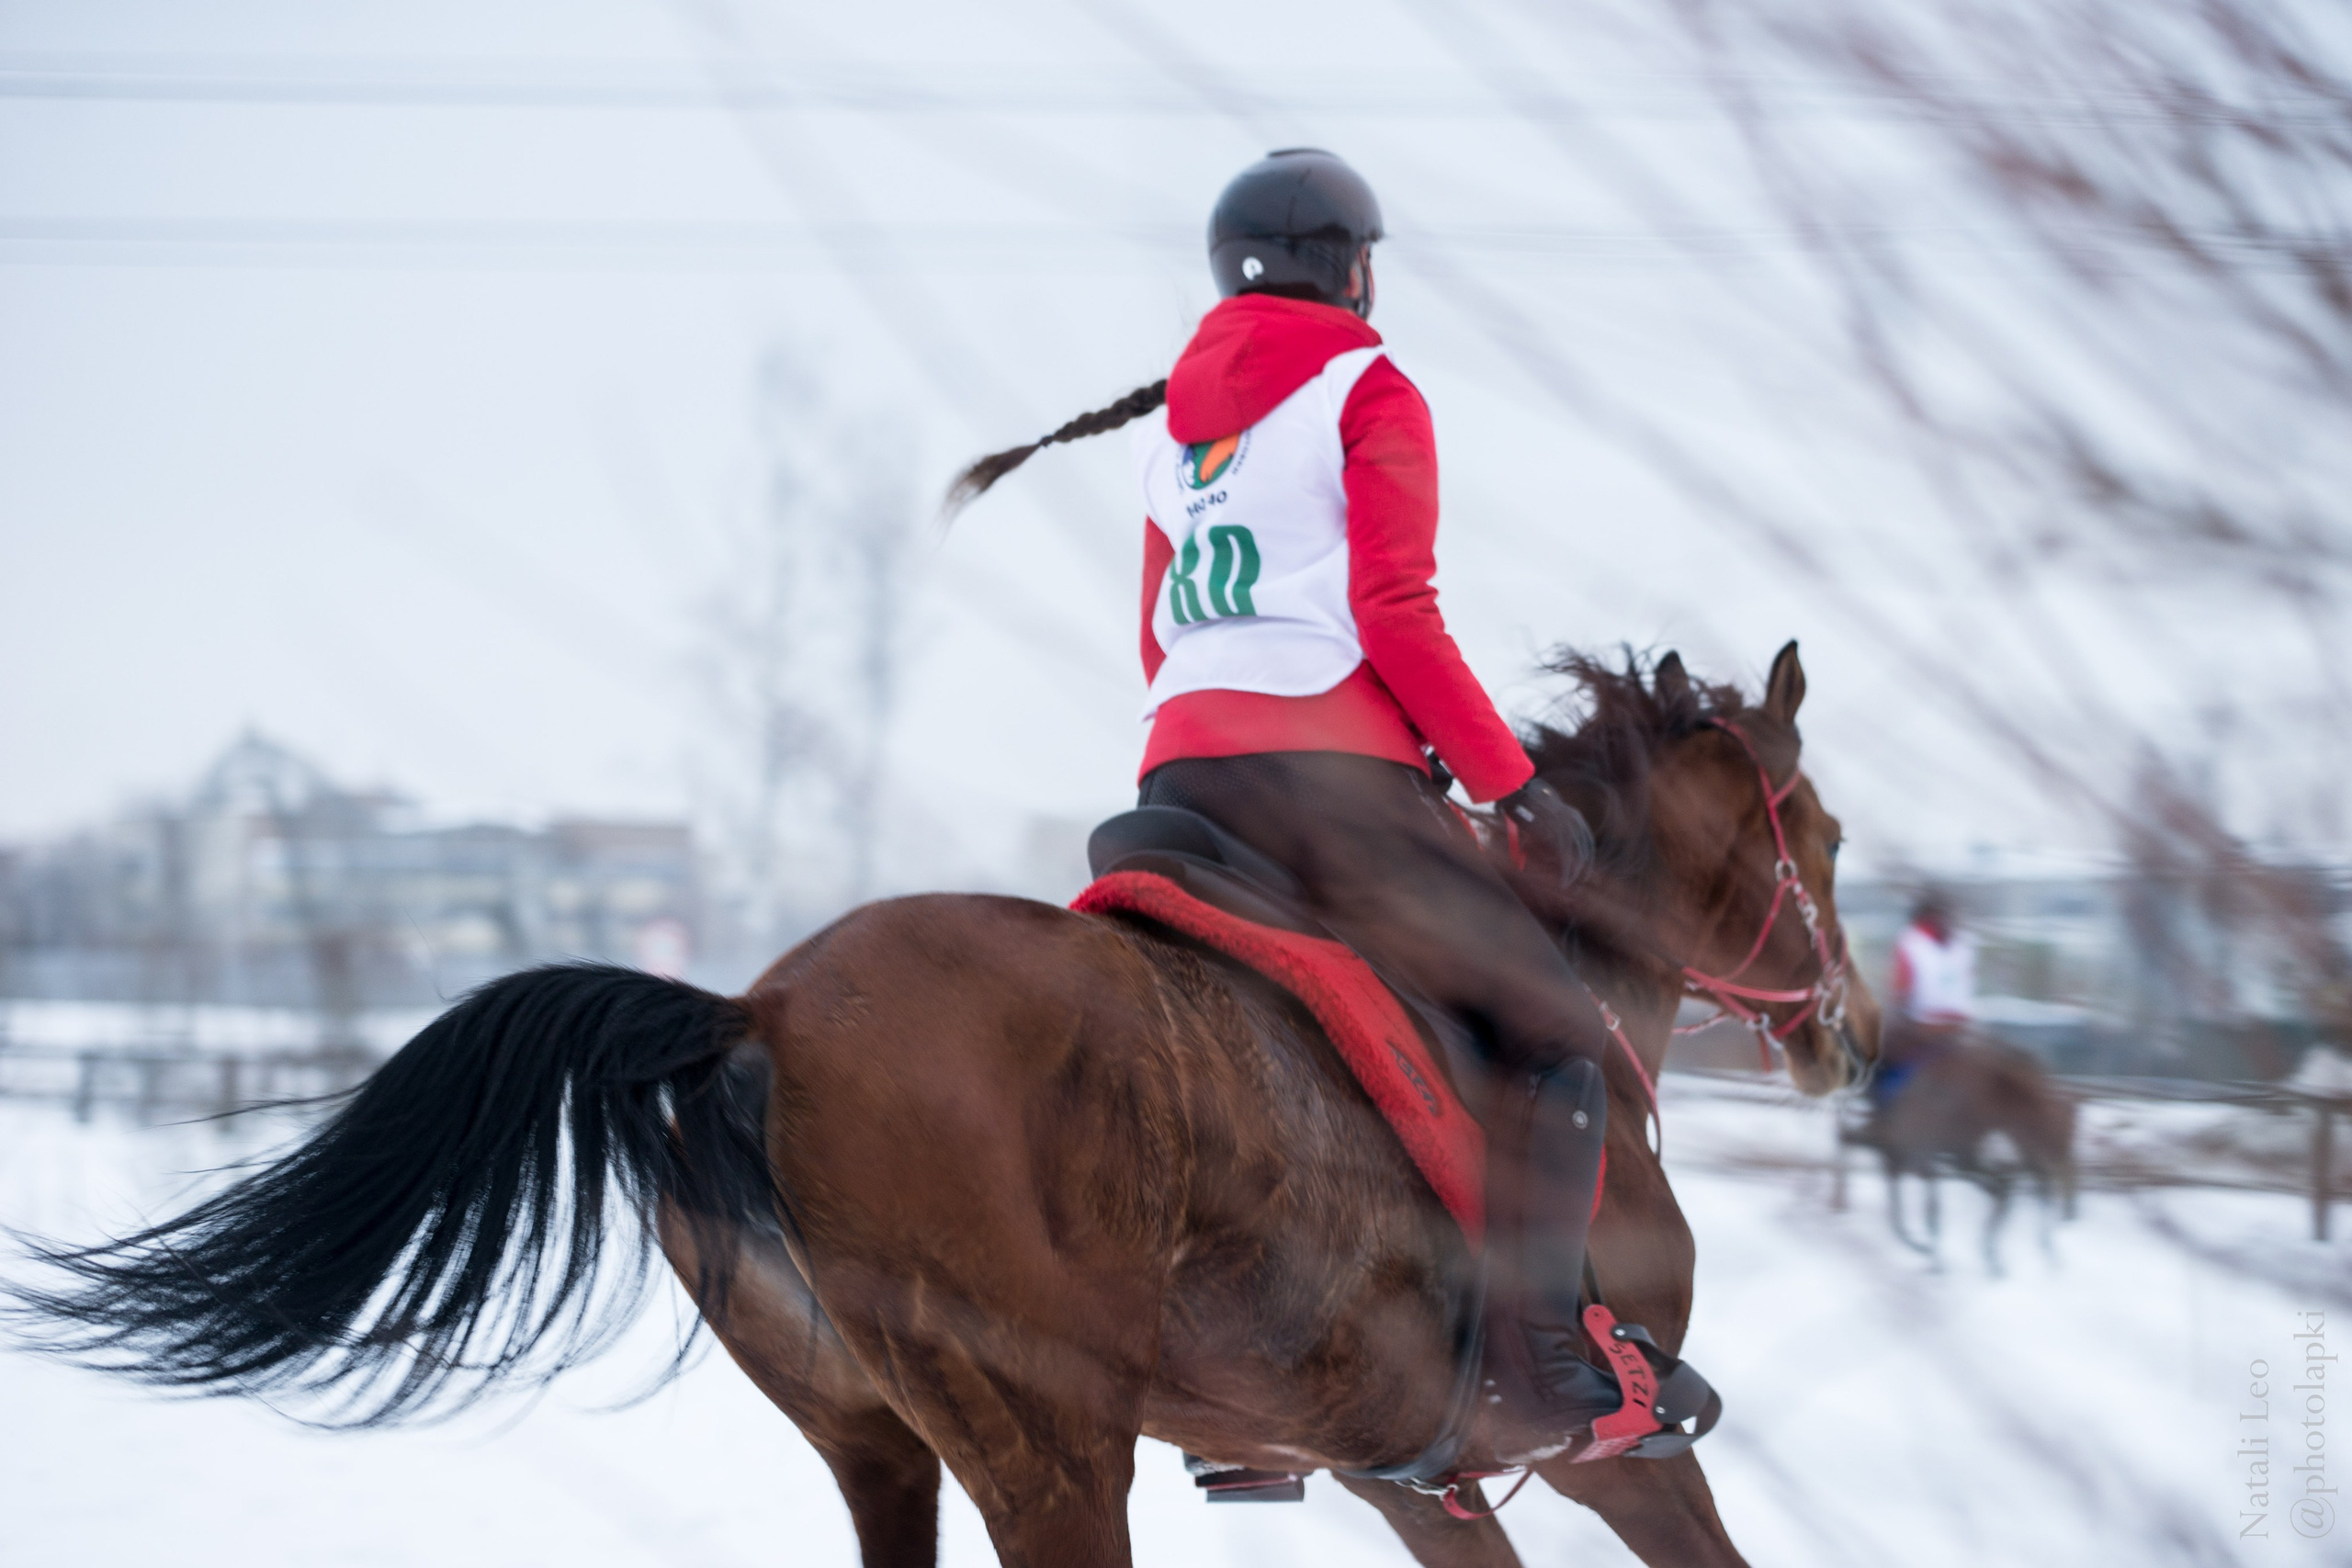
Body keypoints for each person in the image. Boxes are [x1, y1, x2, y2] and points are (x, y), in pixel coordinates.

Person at [948, 149, 1632, 1440]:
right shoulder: (1372, 388)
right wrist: (1513, 781)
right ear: (1352, 268)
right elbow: (1394, 611)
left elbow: (1160, 635)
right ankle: (1541, 1348)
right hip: (1329, 794)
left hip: (1177, 781)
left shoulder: (1173, 428)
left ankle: (1243, 1426)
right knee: (1554, 1030)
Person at [1876, 889, 1976, 1108]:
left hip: (1923, 1023)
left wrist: (1895, 1011)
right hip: (1959, 1027)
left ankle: (1883, 1111)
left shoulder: (1910, 941)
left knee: (1879, 1060)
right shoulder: (1963, 942)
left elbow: (1902, 989)